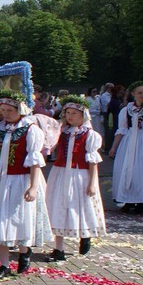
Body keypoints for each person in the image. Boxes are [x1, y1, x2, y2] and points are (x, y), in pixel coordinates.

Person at [0, 90, 53, 281]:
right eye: (3, 109)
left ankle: (24, 252)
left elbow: (34, 160)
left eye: (10, 110)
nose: (6, 113)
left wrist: (33, 186)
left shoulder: (31, 130)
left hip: (19, 179)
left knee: (18, 218)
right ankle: (4, 264)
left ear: (20, 110)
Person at [45, 96, 106, 261]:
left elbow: (92, 161)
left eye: (74, 113)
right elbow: (49, 147)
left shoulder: (90, 135)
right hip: (60, 173)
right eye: (68, 113)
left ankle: (85, 235)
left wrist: (93, 183)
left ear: (83, 116)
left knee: (80, 206)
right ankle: (59, 249)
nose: (70, 116)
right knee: (57, 206)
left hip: (79, 175)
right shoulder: (61, 131)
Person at [108, 82, 143, 214]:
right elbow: (122, 129)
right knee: (126, 168)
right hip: (130, 139)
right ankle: (128, 199)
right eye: (140, 93)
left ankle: (142, 200)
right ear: (133, 94)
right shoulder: (126, 110)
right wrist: (114, 147)